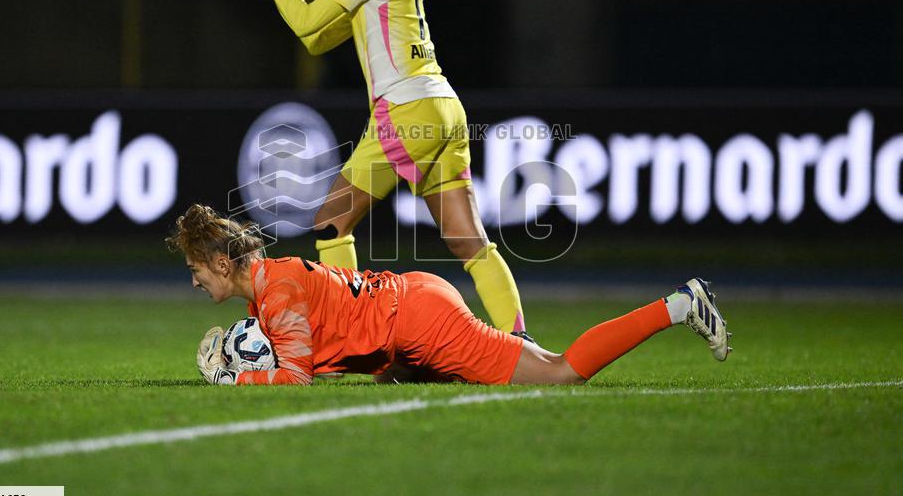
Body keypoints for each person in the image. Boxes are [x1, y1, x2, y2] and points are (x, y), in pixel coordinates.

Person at [231, 0, 531, 340]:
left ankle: (352, 339)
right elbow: (317, 40)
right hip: (442, 107)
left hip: (407, 110)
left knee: (331, 222)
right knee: (468, 240)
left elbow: (305, 23)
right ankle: (520, 341)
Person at [166, 205, 732, 386]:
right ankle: (509, 349)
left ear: (222, 262)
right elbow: (325, 358)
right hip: (404, 318)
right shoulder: (267, 288)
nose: (194, 280)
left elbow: (297, 376)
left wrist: (232, 376)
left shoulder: (277, 290)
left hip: (417, 321)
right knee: (389, 387)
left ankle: (680, 305)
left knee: (558, 374)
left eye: (197, 268)